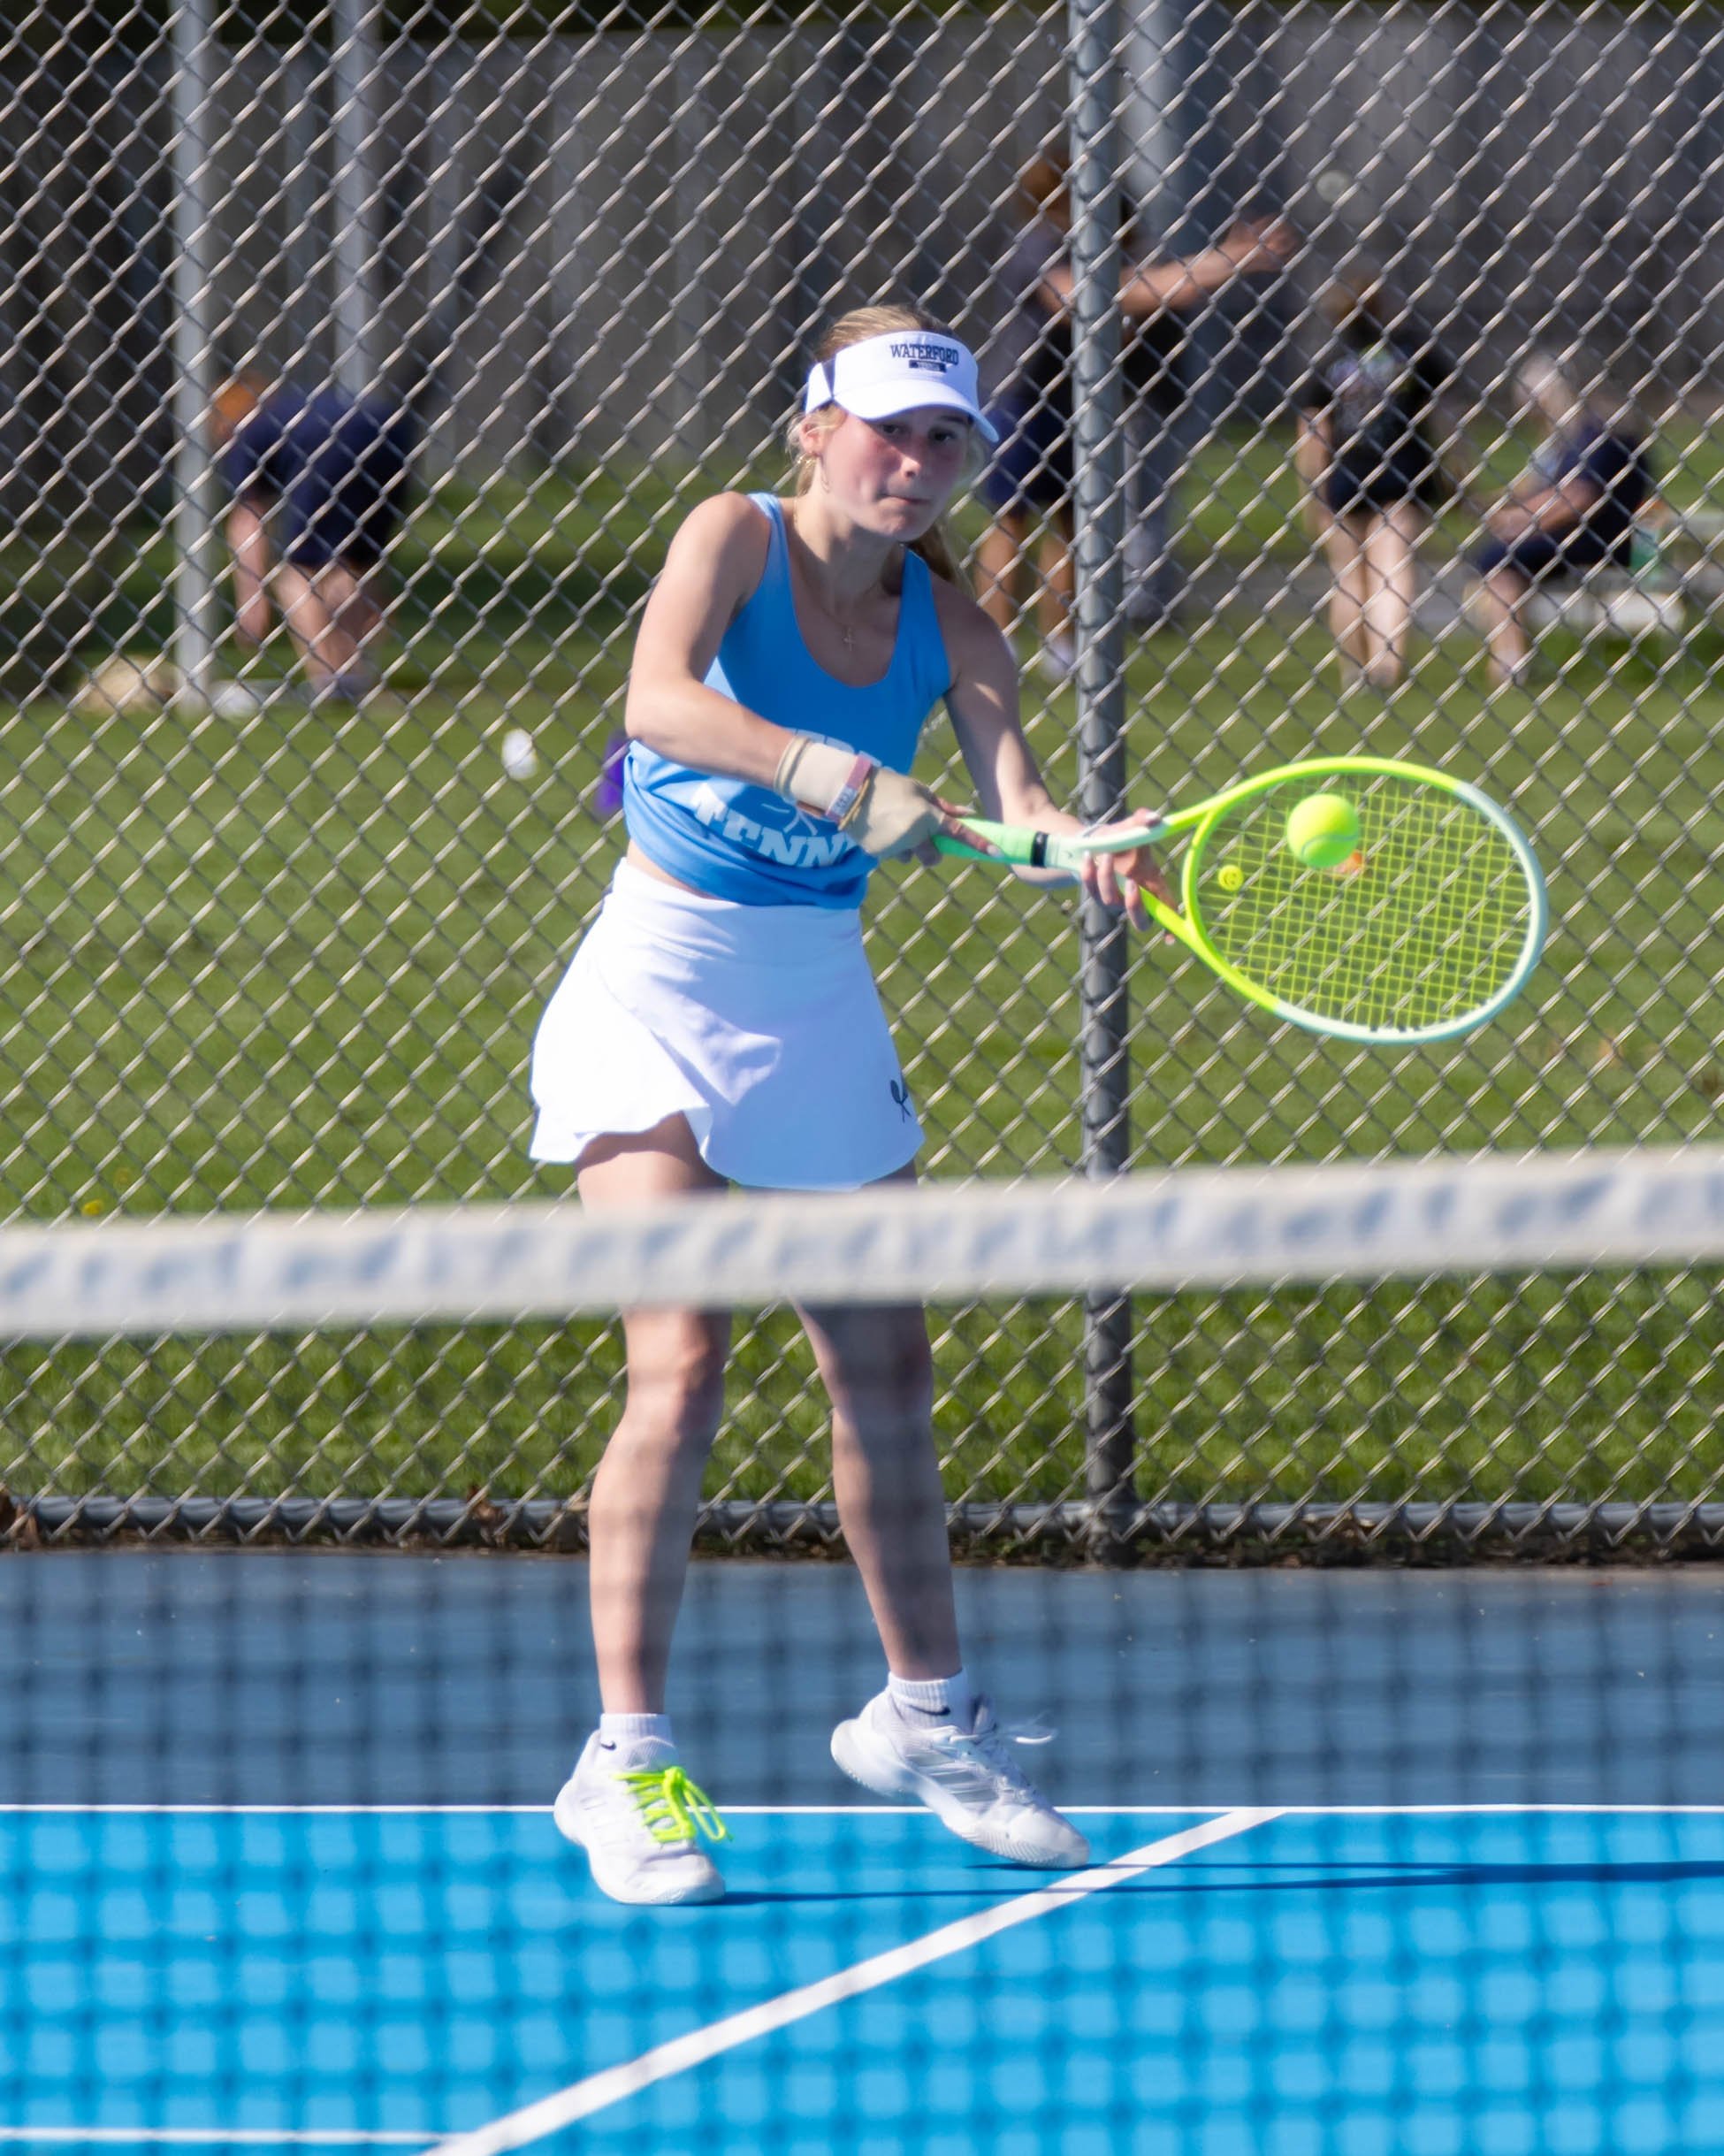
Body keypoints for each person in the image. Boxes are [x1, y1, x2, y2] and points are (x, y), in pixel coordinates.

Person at [527, 303, 1166, 1908]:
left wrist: (1077, 844)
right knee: (680, 1363)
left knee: (887, 1362)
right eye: (890, 428)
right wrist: (827, 773)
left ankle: (926, 1717)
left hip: (816, 999)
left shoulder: (959, 624)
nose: (920, 461)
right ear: (814, 424)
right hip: (657, 983)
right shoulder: (727, 534)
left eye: (947, 439)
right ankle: (623, 1759)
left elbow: (1010, 811)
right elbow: (655, 701)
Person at [977, 150, 1293, 677]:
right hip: (1020, 399)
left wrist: (1226, 260)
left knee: (1069, 522)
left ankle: (1061, 647)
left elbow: (1138, 288)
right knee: (1011, 518)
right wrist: (1227, 261)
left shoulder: (1093, 247)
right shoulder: (1037, 243)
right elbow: (1103, 298)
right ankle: (996, 645)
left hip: (1071, 403)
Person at [1295, 280, 1456, 693]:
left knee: (1348, 577)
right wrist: (1454, 471)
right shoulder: (1409, 353)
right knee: (1393, 570)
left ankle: (1353, 668)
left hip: (1346, 474)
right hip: (1401, 471)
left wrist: (1313, 490)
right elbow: (1440, 417)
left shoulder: (1330, 360)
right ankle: (1386, 666)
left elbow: (1314, 431)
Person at [214, 375, 414, 703]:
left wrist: (251, 594)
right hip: (388, 434)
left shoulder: (246, 430)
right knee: (349, 567)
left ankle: (328, 679)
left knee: (297, 576)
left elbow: (248, 520)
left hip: (331, 450)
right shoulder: (290, 412)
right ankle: (352, 675)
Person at [1468, 355, 1655, 687]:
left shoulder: (1597, 434)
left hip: (1598, 541)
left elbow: (1580, 497)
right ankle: (1510, 658)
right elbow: (1533, 489)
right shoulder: (1563, 440)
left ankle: (1510, 662)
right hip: (1570, 537)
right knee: (1499, 561)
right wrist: (1488, 503)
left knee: (1499, 558)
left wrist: (1522, 520)